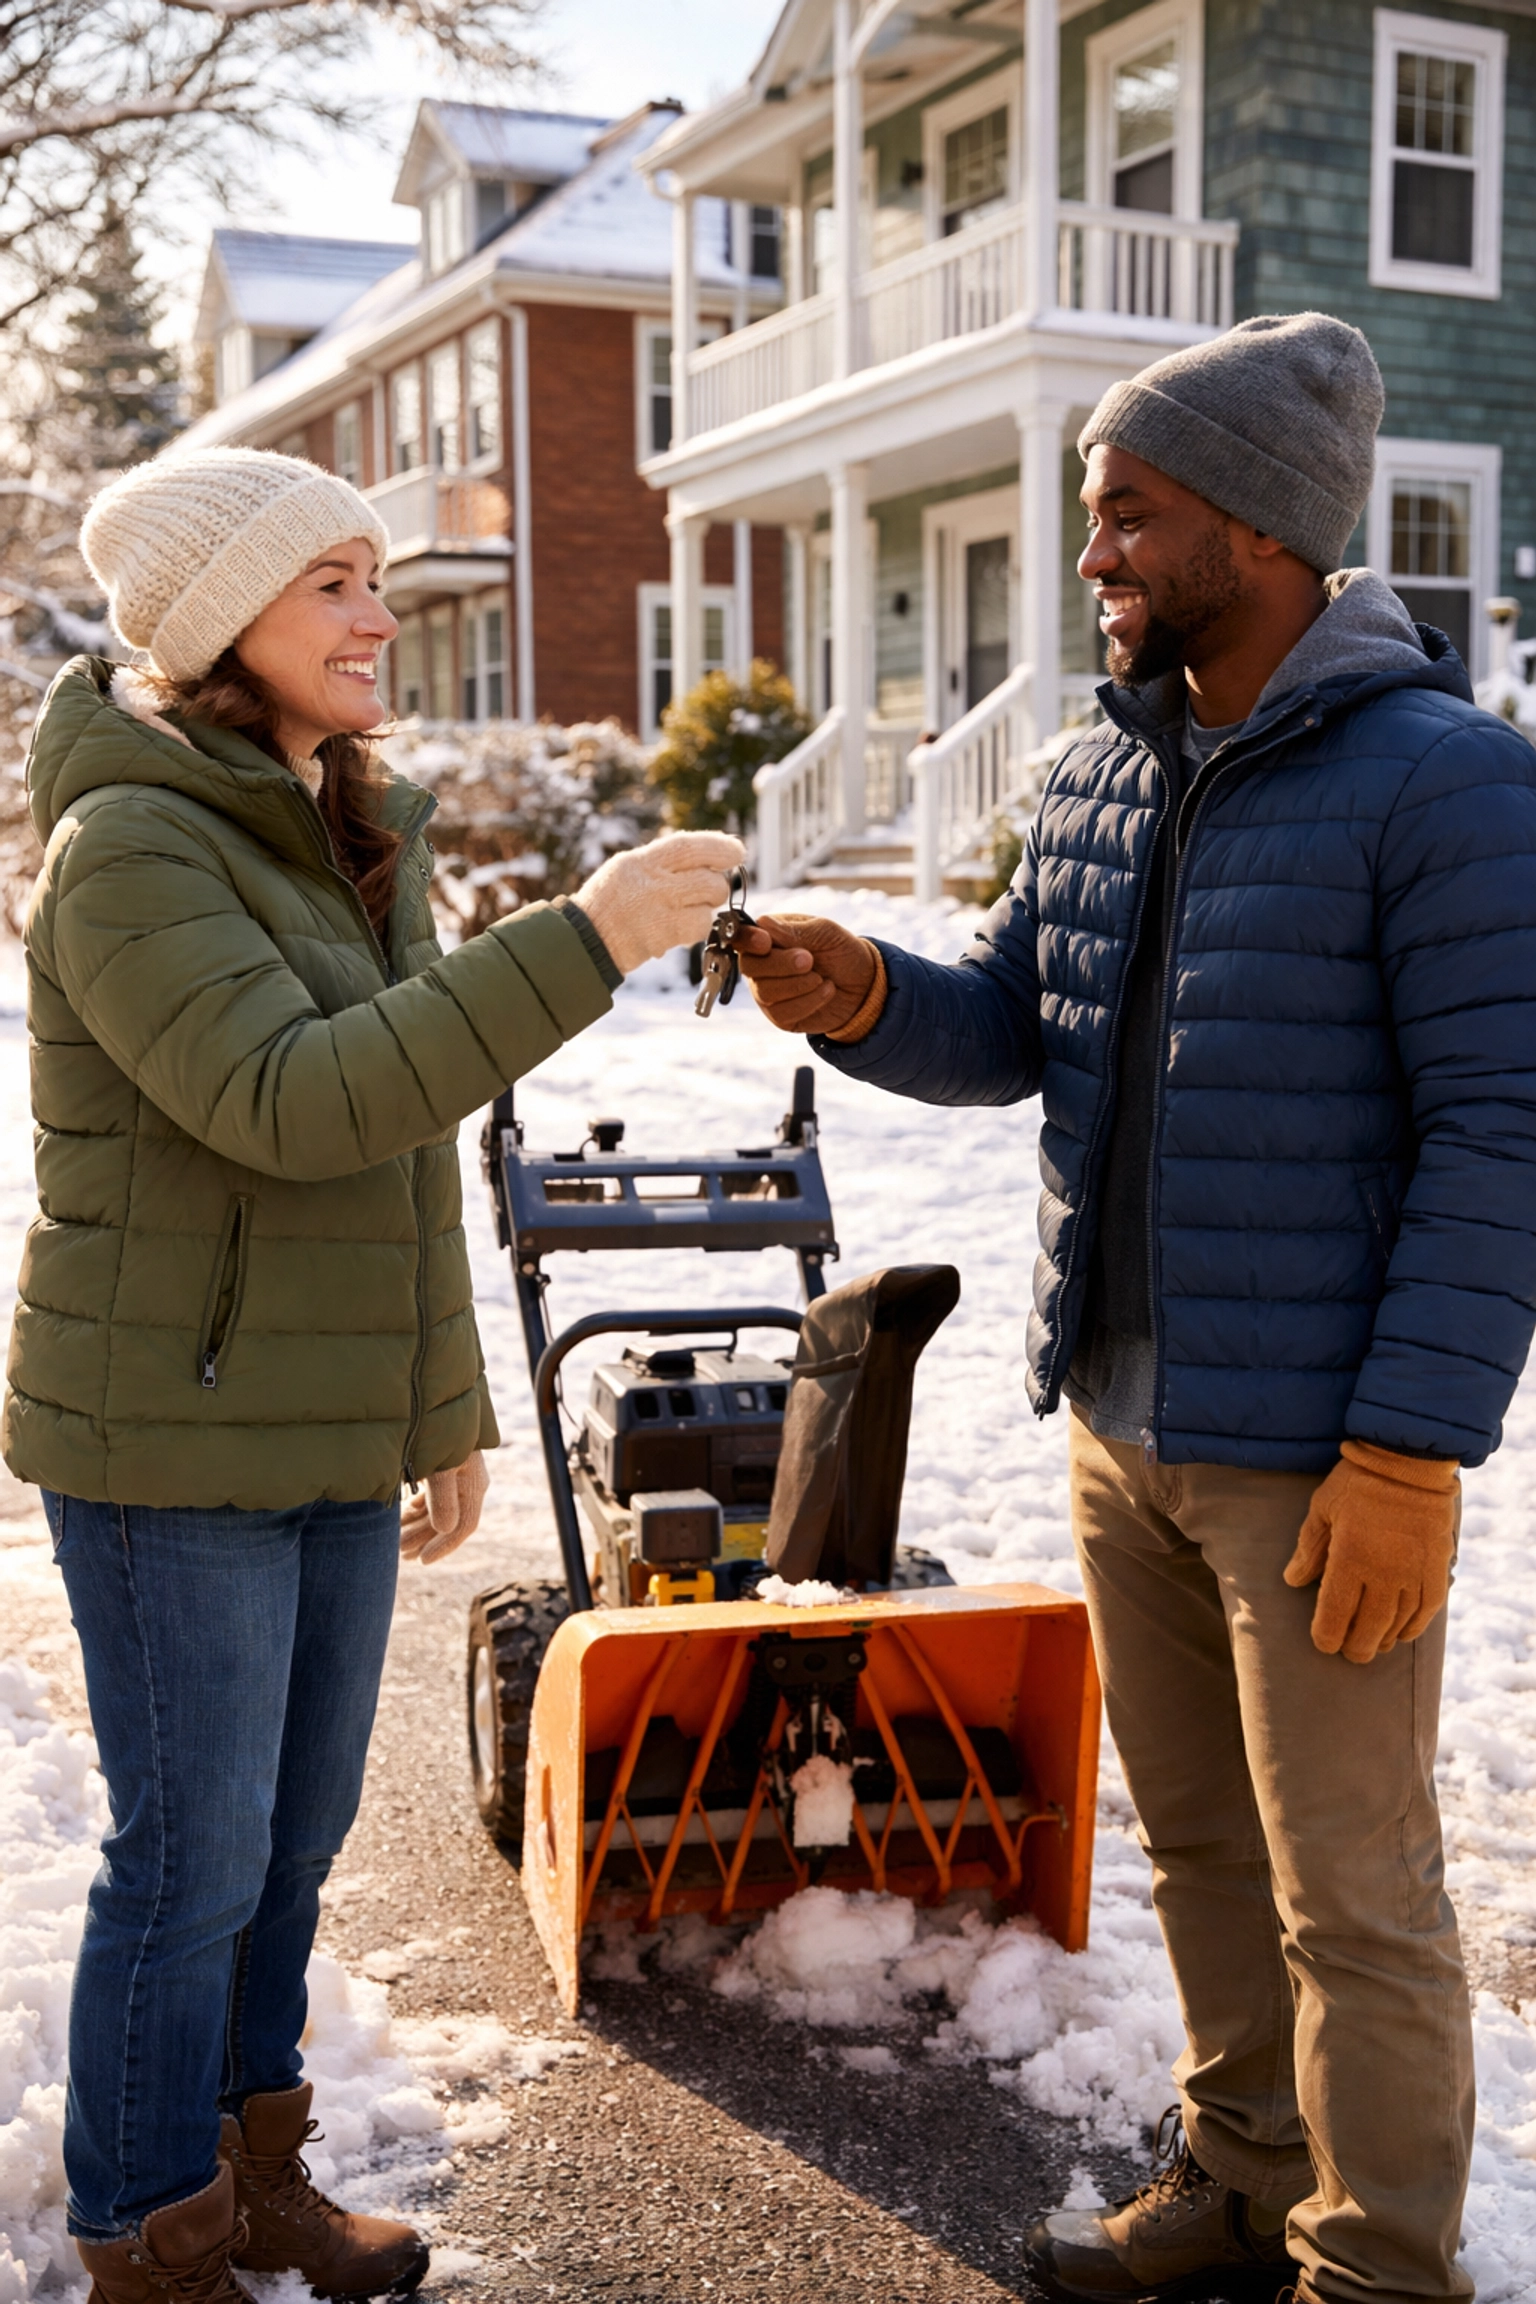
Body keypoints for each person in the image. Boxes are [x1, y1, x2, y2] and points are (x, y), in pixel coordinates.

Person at [740, 313, 1536, 2304]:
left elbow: (1504, 1128)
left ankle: (1378, 2268)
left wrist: (1408, 1450)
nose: (1090, 555)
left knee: (1356, 1895)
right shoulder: (1110, 764)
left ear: (1256, 531)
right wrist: (865, 997)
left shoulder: (1446, 784)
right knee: (1194, 1853)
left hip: (1320, 1454)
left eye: (1126, 517)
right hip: (1121, 1423)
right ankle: (1243, 2178)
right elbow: (1021, 1023)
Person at [7, 445, 739, 2304]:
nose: (376, 610)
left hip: (323, 1428)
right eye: (330, 577)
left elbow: (409, 1154)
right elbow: (298, 1102)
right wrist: (584, 941)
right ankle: (147, 2233)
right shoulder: (130, 845)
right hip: (169, 1438)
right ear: (214, 623)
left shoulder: (339, 822)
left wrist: (433, 1416)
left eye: (373, 573)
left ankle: (253, 2172)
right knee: (189, 1864)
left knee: (294, 1841)